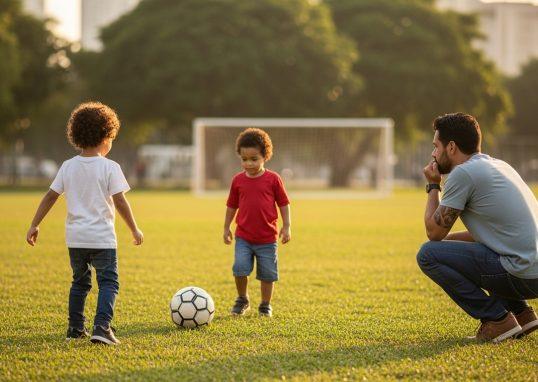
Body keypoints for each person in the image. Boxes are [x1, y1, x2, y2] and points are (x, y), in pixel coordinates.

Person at [26, 102, 143, 345]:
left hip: (76, 238)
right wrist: (134, 228)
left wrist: (34, 224)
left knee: (79, 283)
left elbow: (50, 196)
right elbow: (120, 201)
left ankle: (75, 329)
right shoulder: (110, 167)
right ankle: (102, 327)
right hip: (102, 238)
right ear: (105, 136)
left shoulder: (68, 166)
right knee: (109, 282)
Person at [417, 112, 538, 343]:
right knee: (458, 248)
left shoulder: (463, 174)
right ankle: (522, 314)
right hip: (533, 272)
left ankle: (497, 320)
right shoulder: (500, 165)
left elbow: (433, 232)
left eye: (436, 146)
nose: (433, 153)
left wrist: (433, 185)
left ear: (451, 147)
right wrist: (449, 243)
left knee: (428, 254)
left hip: (522, 273)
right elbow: (493, 234)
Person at [223, 128, 291, 318]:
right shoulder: (237, 181)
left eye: (254, 159)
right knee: (239, 268)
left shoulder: (273, 180)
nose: (249, 163)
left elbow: (284, 204)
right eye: (244, 159)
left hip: (267, 239)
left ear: (265, 156)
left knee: (268, 274)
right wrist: (226, 227)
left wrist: (287, 226)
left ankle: (265, 305)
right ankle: (242, 299)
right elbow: (231, 206)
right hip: (243, 237)